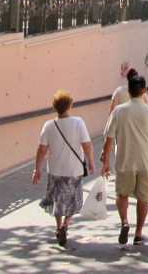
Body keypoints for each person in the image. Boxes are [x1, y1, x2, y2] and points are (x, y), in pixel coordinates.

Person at [101, 75, 148, 246]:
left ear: (128, 92)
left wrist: (105, 161)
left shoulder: (118, 111)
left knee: (122, 194)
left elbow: (109, 139)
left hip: (124, 161)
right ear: (144, 91)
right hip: (146, 162)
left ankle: (124, 222)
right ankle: (138, 233)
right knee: (143, 198)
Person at [32, 89, 96, 247]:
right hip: (74, 170)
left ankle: (58, 225)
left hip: (55, 169)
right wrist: (91, 162)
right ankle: (65, 225)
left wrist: (37, 169)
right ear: (70, 105)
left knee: (57, 199)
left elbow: (42, 149)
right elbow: (86, 145)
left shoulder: (49, 125)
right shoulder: (78, 122)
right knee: (72, 200)